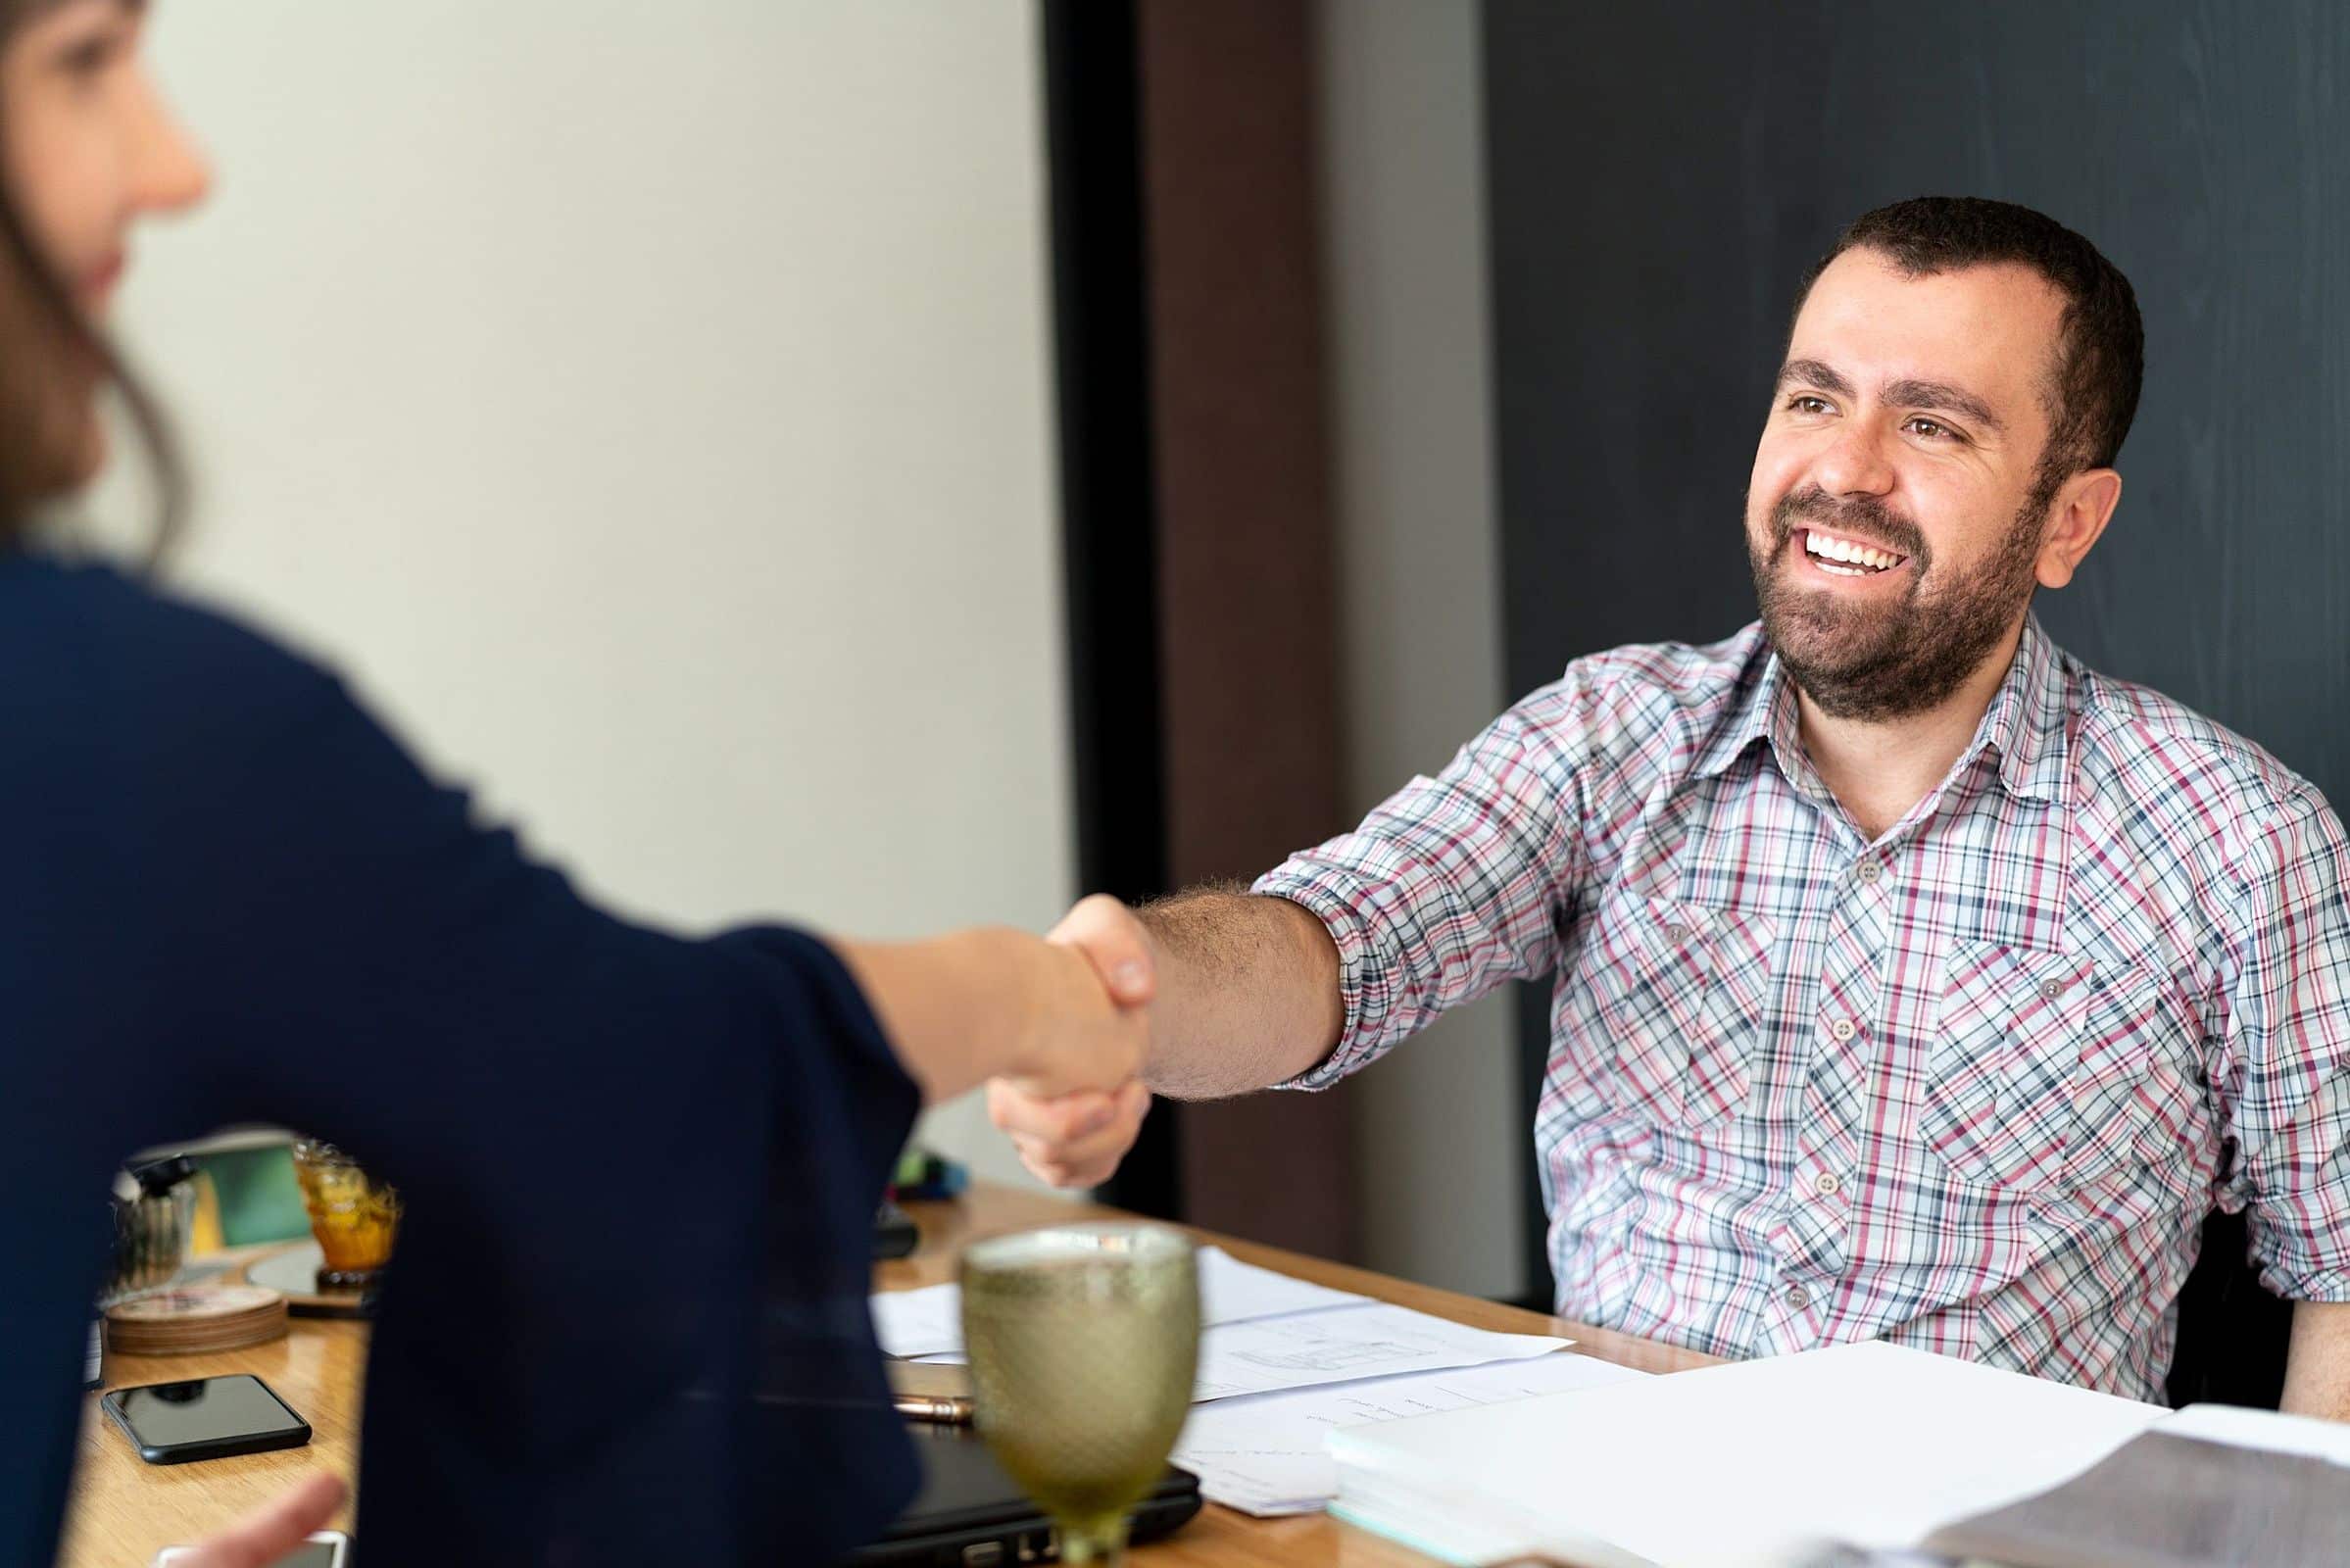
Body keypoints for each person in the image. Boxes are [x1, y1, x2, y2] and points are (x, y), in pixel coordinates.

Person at [0, 2, 1152, 1564]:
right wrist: (1031, 993)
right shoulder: (118, 721)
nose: (174, 163)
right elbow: (660, 1100)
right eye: (82, 60)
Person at [994, 195, 2350, 1418]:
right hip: (1602, 1521)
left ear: (2067, 523)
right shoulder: (1610, 737)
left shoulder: (2238, 847)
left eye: (1931, 424)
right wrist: (1118, 998)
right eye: (1813, 399)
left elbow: (2342, 1278)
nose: (1845, 470)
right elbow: (1334, 948)